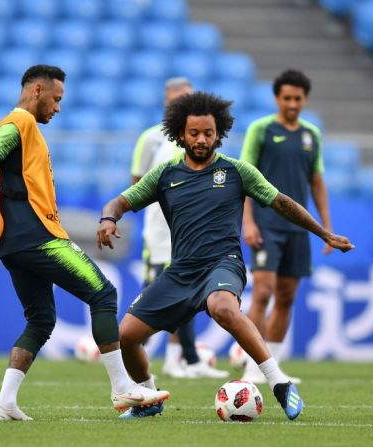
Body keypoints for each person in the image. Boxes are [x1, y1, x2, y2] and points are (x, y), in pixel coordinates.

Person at [97, 91, 355, 420]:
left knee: (222, 306)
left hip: (223, 263)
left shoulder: (236, 171)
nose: (202, 139)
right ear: (180, 134)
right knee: (126, 337)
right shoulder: (165, 175)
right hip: (180, 272)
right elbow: (119, 202)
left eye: (209, 133)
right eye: (194, 133)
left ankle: (280, 384)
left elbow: (281, 202)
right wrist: (108, 219)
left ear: (219, 133)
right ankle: (149, 396)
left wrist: (324, 232)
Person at [0, 65, 169, 421]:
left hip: (10, 244)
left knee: (41, 320)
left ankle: (6, 404)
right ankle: (122, 387)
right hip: (37, 239)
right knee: (103, 293)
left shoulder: (23, 129)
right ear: (37, 90)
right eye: (56, 99)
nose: (58, 108)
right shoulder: (19, 124)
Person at [129, 77, 229, 383]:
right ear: (166, 102)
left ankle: (179, 359)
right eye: (177, 100)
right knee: (158, 297)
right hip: (160, 233)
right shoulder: (151, 139)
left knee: (186, 294)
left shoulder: (198, 142)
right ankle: (125, 351)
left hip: (190, 234)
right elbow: (137, 182)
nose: (182, 105)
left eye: (187, 99)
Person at [240, 69, 333, 384]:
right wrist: (248, 221)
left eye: (298, 98)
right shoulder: (261, 130)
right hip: (266, 225)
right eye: (287, 98)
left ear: (305, 99)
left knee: (286, 297)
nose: (292, 103)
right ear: (277, 98)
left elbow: (317, 182)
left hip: (298, 228)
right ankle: (255, 366)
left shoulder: (311, 135)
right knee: (262, 293)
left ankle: (274, 367)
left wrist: (326, 229)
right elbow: (245, 177)